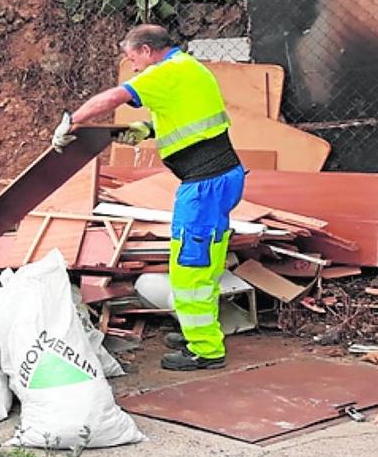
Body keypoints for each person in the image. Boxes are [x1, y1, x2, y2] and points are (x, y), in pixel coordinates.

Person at [52, 24, 245, 372]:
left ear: (145, 50)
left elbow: (112, 98)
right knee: (209, 262)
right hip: (224, 176)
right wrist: (146, 129)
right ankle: (200, 333)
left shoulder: (162, 72)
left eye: (133, 59)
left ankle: (205, 350)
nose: (134, 67)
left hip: (202, 186)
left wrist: (71, 122)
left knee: (189, 269)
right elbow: (190, 116)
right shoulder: (190, 68)